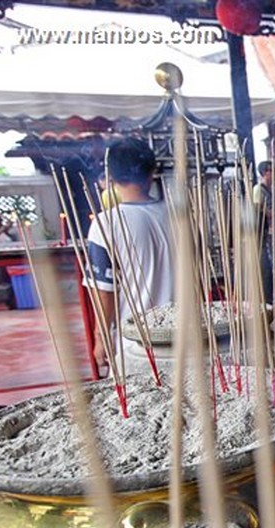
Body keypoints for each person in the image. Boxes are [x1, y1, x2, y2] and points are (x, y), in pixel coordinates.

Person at [84, 137, 175, 371]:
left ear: (110, 177)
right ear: (152, 171)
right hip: (186, 337)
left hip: (137, 346)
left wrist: (101, 338)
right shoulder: (179, 216)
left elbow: (104, 290)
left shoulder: (106, 223)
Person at [253, 160, 275, 303]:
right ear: (265, 173)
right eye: (272, 171)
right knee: (265, 266)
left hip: (271, 233)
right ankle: (266, 298)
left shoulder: (271, 190)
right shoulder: (258, 190)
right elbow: (257, 209)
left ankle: (272, 296)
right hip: (262, 234)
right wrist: (269, 213)